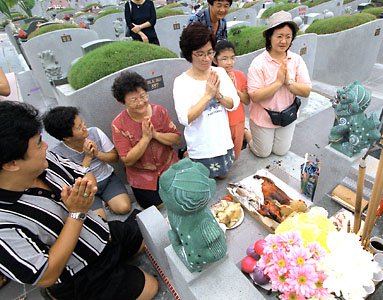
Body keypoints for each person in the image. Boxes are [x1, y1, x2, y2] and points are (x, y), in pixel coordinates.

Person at [0, 101, 158, 300]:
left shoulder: (46, 161)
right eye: (39, 143)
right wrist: (76, 213)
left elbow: (85, 175)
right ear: (12, 164)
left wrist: (84, 194)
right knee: (150, 287)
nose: (46, 146)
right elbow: (46, 274)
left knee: (143, 240)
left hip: (101, 232)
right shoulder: (4, 222)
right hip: (80, 273)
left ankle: (118, 264)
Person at [173, 23, 240, 178]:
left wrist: (219, 96)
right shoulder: (181, 82)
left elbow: (234, 104)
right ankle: (187, 156)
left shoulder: (220, 73)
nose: (207, 58)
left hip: (222, 141)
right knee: (204, 181)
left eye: (210, 52)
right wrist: (208, 96)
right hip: (201, 146)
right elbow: (185, 118)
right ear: (189, 54)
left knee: (223, 176)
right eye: (200, 54)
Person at [43, 106, 132, 217]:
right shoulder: (57, 154)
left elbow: (114, 158)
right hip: (85, 190)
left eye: (82, 122)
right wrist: (88, 157)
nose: (84, 127)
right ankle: (100, 204)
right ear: (66, 137)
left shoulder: (95, 132)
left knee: (124, 208)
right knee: (100, 218)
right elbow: (73, 179)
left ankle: (107, 200)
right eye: (79, 127)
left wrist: (97, 154)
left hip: (107, 179)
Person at [247, 11, 312, 158]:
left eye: (288, 37)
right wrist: (278, 83)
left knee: (281, 151)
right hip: (263, 116)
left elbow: (306, 90)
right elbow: (255, 96)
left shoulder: (296, 60)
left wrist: (288, 81)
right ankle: (247, 133)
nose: (284, 41)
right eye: (279, 36)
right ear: (270, 37)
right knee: (262, 153)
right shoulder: (258, 63)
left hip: (287, 115)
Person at [111, 71, 180, 209]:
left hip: (169, 166)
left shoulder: (159, 111)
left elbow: (176, 138)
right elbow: (127, 160)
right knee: (158, 205)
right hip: (142, 176)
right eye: (134, 100)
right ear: (122, 102)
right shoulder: (118, 124)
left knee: (181, 196)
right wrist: (145, 139)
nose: (141, 102)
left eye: (143, 96)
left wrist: (155, 135)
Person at [213, 40, 250, 160]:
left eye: (232, 58)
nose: (229, 63)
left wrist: (235, 90)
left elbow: (246, 100)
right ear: (215, 60)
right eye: (224, 59)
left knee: (236, 153)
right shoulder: (213, 78)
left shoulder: (239, 75)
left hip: (239, 120)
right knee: (224, 156)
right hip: (222, 123)